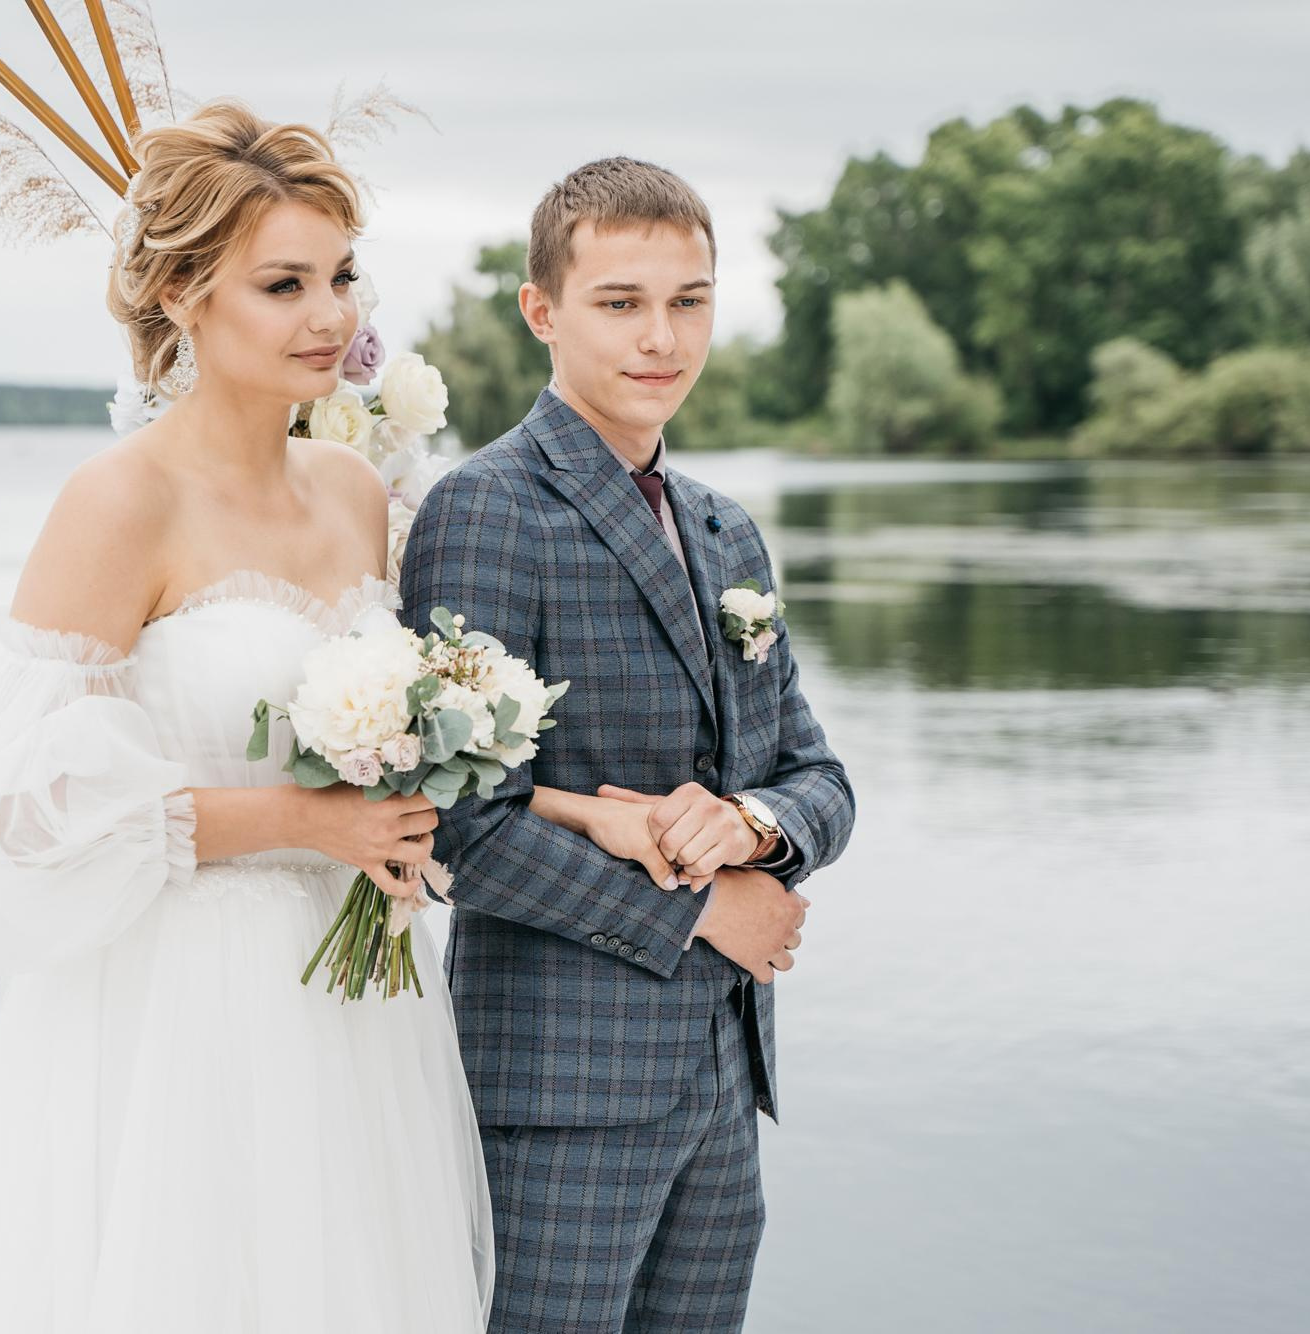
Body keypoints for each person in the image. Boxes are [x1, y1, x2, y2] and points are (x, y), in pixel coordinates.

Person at [0, 101, 493, 1334]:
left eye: (341, 277)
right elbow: (17, 807)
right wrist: (303, 820)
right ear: (180, 294)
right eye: (283, 284)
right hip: (181, 1012)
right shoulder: (120, 501)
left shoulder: (353, 490)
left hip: (358, 1009)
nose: (330, 316)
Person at [400, 156, 856, 1333]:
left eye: (687, 300)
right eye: (620, 302)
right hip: (559, 1094)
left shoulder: (724, 526)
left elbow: (818, 777)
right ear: (540, 310)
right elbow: (457, 827)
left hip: (721, 1083)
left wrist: (750, 824)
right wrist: (701, 910)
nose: (661, 336)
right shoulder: (487, 508)